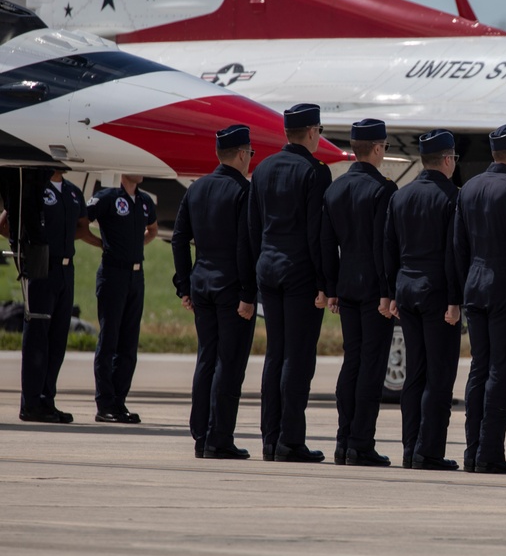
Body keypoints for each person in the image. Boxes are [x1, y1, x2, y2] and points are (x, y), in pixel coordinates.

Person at [248, 104, 331, 463]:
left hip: (268, 269)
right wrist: (325, 281)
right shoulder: (315, 171)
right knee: (298, 358)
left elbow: (252, 227)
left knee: (276, 354)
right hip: (300, 274)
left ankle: (270, 438)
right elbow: (318, 234)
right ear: (312, 132)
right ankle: (290, 440)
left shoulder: (263, 168)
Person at [171, 125, 257, 460]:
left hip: (202, 283)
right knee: (230, 363)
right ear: (240, 154)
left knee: (207, 359)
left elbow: (179, 239)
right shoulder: (242, 191)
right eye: (250, 153)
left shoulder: (197, 189)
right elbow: (246, 246)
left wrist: (185, 284)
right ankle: (219, 437)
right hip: (232, 288)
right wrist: (249, 293)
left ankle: (201, 433)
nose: (250, 159)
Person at [454, 122, 506, 474]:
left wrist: (461, 288)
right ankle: (490, 452)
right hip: (503, 288)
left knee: (478, 368)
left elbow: (459, 246)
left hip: (474, 284)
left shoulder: (469, 187)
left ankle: (473, 450)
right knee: (502, 372)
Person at [384, 129, 462, 470]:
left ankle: (409, 446)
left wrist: (391, 293)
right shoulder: (451, 197)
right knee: (439, 376)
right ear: (447, 160)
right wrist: (455, 300)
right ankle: (428, 451)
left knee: (415, 375)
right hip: (438, 294)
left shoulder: (401, 196)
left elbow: (388, 249)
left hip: (407, 290)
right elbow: (454, 254)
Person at [322, 118, 397, 467]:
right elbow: (385, 246)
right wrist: (387, 291)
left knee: (352, 361)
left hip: (347, 286)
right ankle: (360, 443)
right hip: (373, 290)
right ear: (378, 149)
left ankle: (343, 438)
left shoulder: (335, 189)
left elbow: (326, 244)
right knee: (371, 365)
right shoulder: (383, 189)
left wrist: (332, 287)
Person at [0, 170, 90, 423]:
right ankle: (31, 403)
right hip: (41, 266)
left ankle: (47, 400)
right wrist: (28, 244)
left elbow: (82, 226)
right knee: (38, 335)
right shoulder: (34, 187)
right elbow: (5, 223)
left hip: (65, 268)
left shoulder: (73, 191)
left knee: (58, 338)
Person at [85, 174, 158, 423]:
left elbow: (153, 229)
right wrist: (102, 243)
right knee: (109, 340)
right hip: (113, 274)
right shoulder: (107, 197)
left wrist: (138, 244)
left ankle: (118, 402)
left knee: (129, 343)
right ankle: (104, 403)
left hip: (136, 276)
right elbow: (82, 223)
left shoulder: (145, 201)